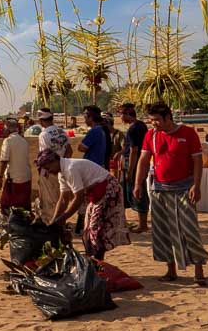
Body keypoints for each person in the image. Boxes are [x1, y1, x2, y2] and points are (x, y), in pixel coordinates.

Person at [134, 102, 208, 286]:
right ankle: (170, 269)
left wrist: (196, 186)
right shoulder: (150, 135)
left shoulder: (188, 133)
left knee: (189, 230)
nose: (154, 123)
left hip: (184, 189)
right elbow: (144, 160)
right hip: (160, 189)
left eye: (157, 120)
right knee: (162, 231)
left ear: (168, 117)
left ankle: (198, 269)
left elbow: (197, 161)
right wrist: (137, 184)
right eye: (151, 120)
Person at [39, 131, 130, 260]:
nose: (48, 171)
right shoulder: (61, 173)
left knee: (95, 228)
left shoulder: (70, 168)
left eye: (48, 167)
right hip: (96, 193)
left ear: (55, 161)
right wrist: (54, 220)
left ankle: (97, 262)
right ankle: (90, 259)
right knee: (87, 229)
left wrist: (64, 217)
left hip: (108, 190)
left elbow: (78, 197)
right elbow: (63, 198)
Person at [119, 103, 149, 234]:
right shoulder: (141, 125)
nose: (120, 117)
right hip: (140, 162)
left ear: (127, 114)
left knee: (137, 191)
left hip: (134, 163)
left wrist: (130, 171)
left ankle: (142, 224)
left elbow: (133, 151)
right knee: (137, 191)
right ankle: (141, 223)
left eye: (121, 114)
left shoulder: (133, 129)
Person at [33, 110, 66, 225]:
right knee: (59, 198)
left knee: (48, 200)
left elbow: (44, 157)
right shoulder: (61, 131)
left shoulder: (44, 134)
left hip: (48, 171)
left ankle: (50, 223)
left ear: (41, 121)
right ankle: (60, 221)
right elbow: (69, 150)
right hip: (62, 169)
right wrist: (62, 165)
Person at [0, 121, 32, 214]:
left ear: (8, 129)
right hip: (26, 176)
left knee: (6, 204)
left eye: (4, 128)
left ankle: (12, 223)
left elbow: (4, 160)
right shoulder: (23, 140)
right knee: (24, 204)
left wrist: (0, 177)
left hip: (13, 178)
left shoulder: (8, 141)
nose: (3, 130)